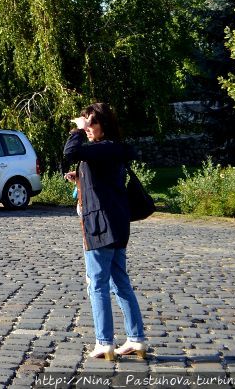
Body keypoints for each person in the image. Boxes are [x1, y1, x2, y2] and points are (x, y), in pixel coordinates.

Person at [63, 102, 146, 360]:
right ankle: (136, 339)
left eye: (92, 123)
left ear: (104, 125)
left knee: (97, 284)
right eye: (86, 122)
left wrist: (77, 130)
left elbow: (70, 151)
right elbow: (103, 182)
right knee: (120, 282)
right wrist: (80, 178)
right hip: (117, 224)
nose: (88, 127)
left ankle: (104, 342)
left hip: (101, 227)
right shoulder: (110, 149)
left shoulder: (104, 148)